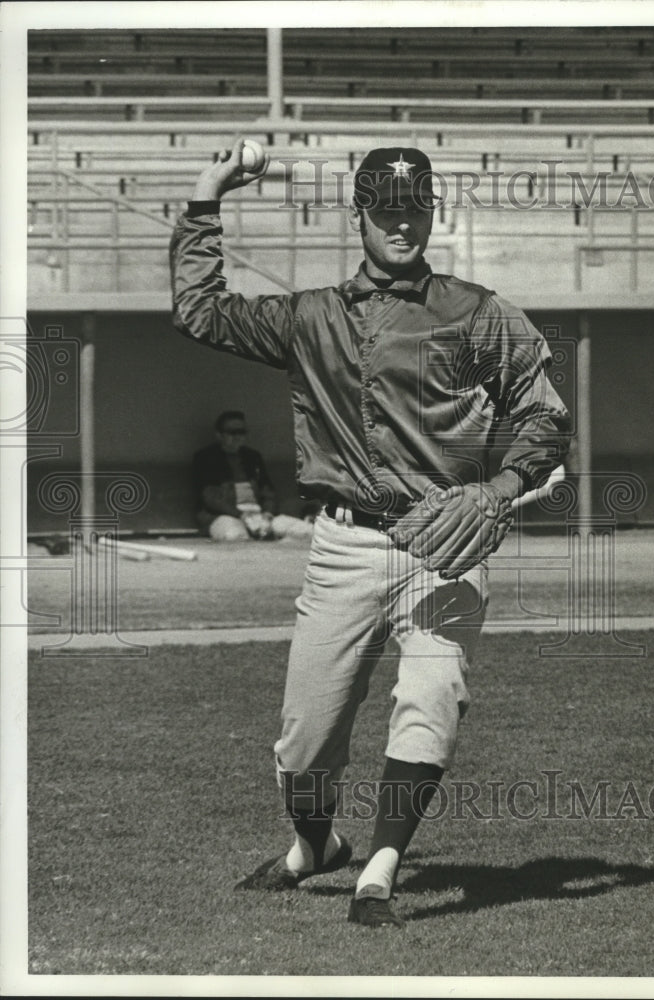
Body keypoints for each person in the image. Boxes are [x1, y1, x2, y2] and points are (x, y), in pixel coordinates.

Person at [170, 140, 571, 928]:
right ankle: (315, 846)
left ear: (432, 210)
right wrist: (205, 197)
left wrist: (497, 489)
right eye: (385, 208)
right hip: (343, 546)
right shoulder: (310, 316)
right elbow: (200, 311)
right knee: (305, 740)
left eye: (413, 207)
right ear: (358, 213)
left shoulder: (479, 311)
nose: (401, 222)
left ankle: (380, 867)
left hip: (447, 546)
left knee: (432, 696)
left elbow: (545, 415)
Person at [192, 410, 277, 541]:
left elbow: (268, 491)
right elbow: (210, 498)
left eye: (241, 432)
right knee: (237, 537)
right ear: (219, 435)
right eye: (232, 432)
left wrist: (268, 514)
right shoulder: (205, 458)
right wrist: (241, 515)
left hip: (258, 515)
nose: (238, 436)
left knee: (303, 532)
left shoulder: (253, 457)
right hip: (224, 516)